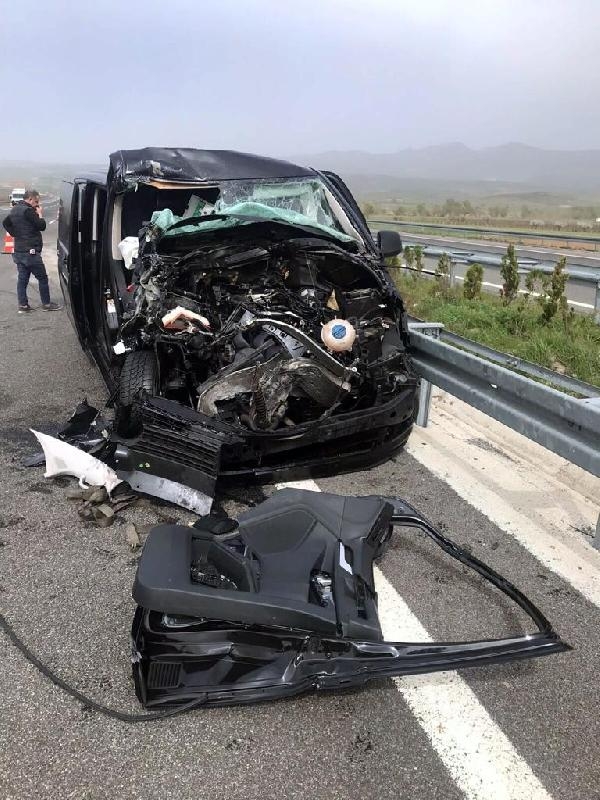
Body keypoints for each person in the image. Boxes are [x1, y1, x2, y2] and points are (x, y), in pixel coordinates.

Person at [2, 188, 61, 313]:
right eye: (36, 202)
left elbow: (5, 222)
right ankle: (46, 304)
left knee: (22, 279)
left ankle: (23, 306)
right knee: (42, 278)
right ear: (30, 199)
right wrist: (40, 214)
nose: (37, 204)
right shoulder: (28, 211)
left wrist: (15, 233)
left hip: (18, 251)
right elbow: (41, 226)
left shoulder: (15, 209)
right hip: (31, 252)